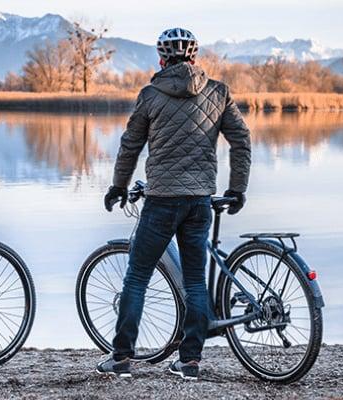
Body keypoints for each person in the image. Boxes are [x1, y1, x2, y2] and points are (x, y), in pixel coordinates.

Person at [97, 27, 252, 381]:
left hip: (161, 200)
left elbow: (130, 145)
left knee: (137, 277)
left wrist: (118, 187)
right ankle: (190, 362)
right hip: (199, 200)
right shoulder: (218, 92)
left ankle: (121, 358)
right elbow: (241, 139)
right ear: (195, 58)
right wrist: (238, 188)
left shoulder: (151, 95)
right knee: (196, 282)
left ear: (162, 59)